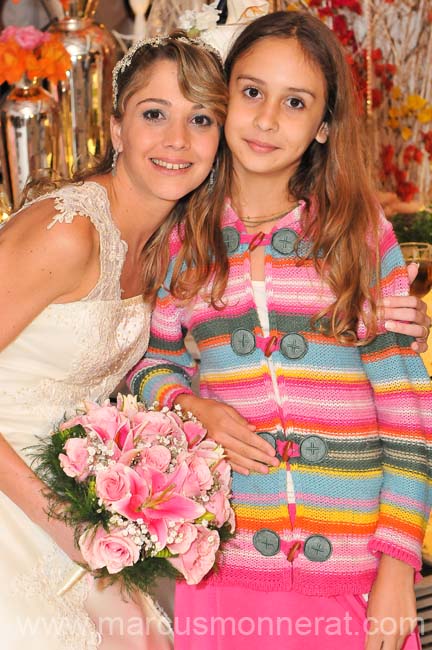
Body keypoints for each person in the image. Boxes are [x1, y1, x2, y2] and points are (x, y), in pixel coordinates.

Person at [127, 11, 432, 650]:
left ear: (323, 125)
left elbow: (407, 407)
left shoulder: (355, 233)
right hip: (224, 568)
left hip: (352, 572)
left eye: (295, 102)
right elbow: (152, 365)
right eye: (252, 92)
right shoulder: (186, 240)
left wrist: (398, 566)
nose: (267, 119)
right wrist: (193, 407)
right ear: (226, 96)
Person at [0, 32, 229, 649]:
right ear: (117, 126)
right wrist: (59, 521)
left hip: (73, 497)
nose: (177, 140)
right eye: (155, 114)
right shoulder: (69, 233)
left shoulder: (165, 245)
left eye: (200, 118)